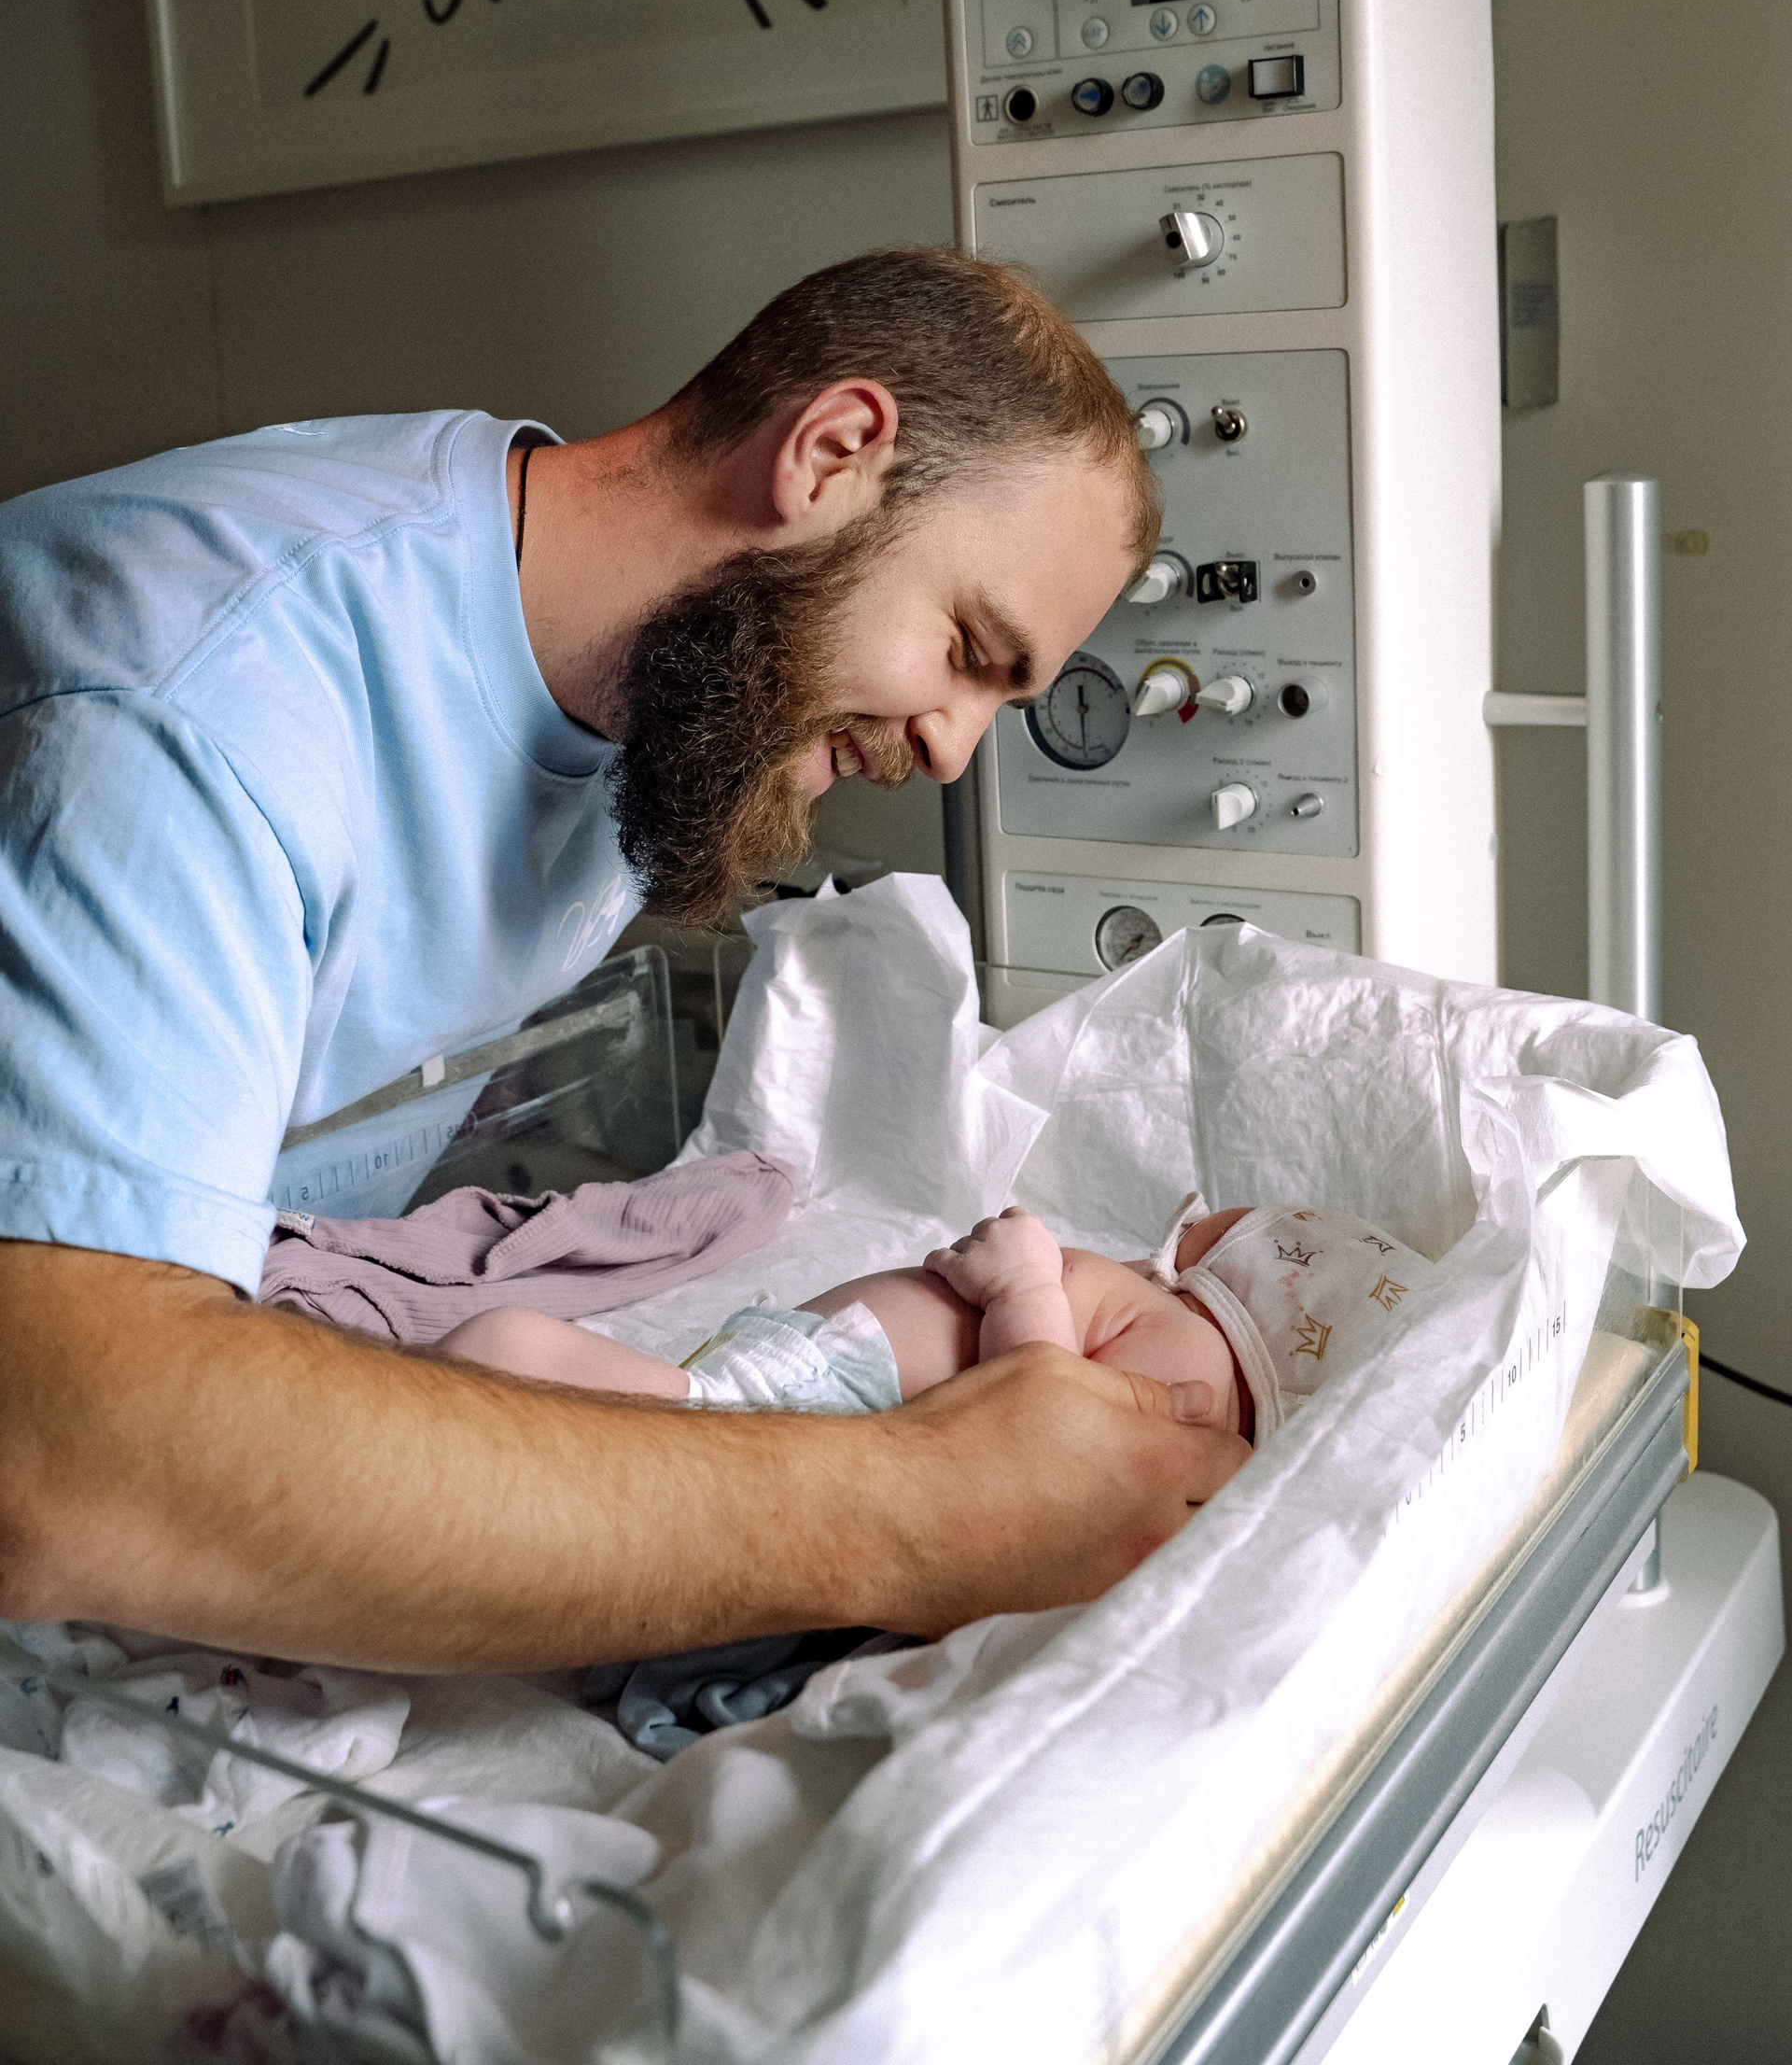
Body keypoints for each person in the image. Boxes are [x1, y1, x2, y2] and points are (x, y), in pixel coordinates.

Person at [0, 247, 1249, 1672]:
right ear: (829, 457)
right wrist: (925, 1509)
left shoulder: (644, 675)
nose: (952, 751)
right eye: (968, 647)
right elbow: (65, 1462)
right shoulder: (197, 715)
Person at [431, 1201, 1435, 1454]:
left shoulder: (1194, 1353)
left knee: (504, 1354)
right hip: (799, 1396)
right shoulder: (1179, 1336)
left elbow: (1043, 1417)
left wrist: (1024, 1287)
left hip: (800, 1409)